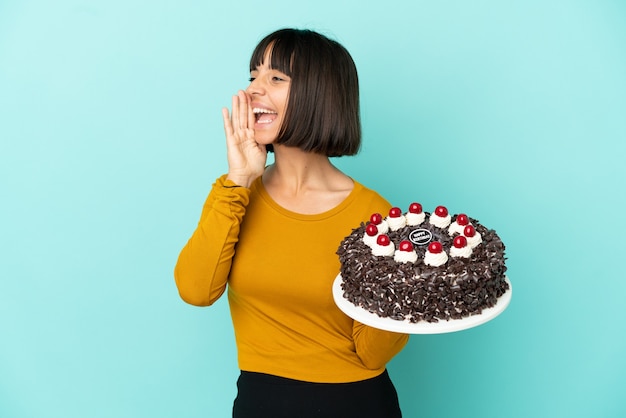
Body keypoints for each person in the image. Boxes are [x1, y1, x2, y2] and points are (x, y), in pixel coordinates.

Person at [174, 28, 409, 418]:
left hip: (357, 403)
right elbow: (196, 290)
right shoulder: (235, 195)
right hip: (259, 402)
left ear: (319, 94)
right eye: (253, 77)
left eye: (276, 78)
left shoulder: (378, 219)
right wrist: (238, 180)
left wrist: (404, 287)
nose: (252, 91)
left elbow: (372, 354)